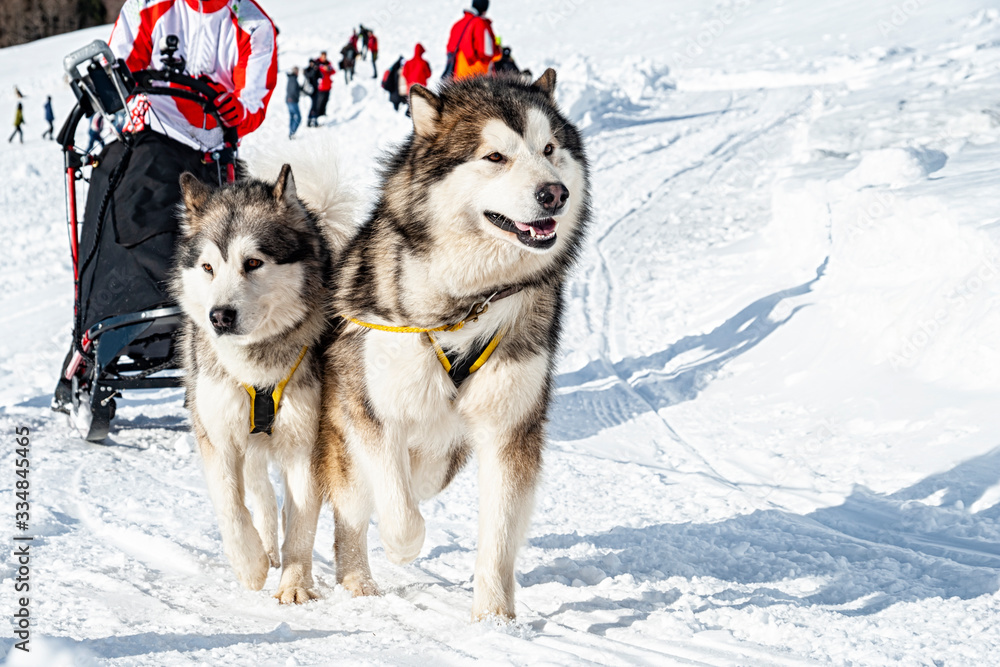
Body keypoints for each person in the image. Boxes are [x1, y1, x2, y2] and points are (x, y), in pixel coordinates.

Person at [53, 0, 279, 413]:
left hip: (209, 149)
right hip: (149, 133)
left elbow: (253, 98)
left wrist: (238, 110)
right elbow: (118, 70)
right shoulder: (147, 7)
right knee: (123, 187)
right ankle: (93, 333)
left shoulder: (251, 24)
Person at [444, 0, 497, 81]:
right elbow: (487, 52)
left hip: (457, 73)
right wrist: (499, 52)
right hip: (475, 74)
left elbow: (450, 49)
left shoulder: (457, 24)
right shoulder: (480, 23)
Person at [308, 52, 334, 125]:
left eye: (325, 56)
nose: (324, 58)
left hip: (327, 86)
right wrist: (322, 68)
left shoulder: (328, 63)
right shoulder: (317, 62)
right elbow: (313, 71)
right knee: (318, 102)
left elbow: (333, 70)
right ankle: (316, 116)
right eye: (323, 56)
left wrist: (328, 69)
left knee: (325, 100)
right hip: (320, 87)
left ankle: (322, 113)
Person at [286, 66, 301, 138]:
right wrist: (296, 96)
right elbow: (293, 90)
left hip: (289, 100)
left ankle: (291, 133)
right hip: (292, 100)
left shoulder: (291, 78)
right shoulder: (293, 79)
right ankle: (292, 132)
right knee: (298, 117)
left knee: (292, 117)